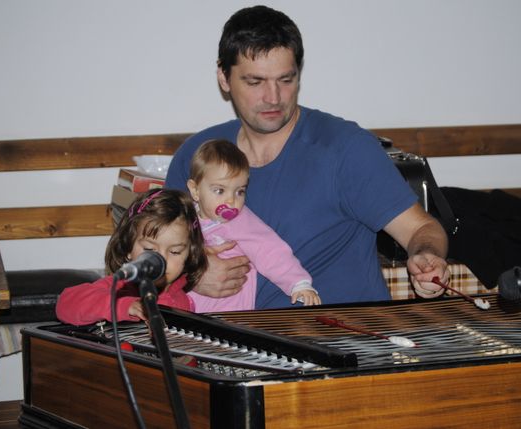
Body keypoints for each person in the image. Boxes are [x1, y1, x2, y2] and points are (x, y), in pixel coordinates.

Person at [165, 5, 450, 309]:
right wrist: (190, 274)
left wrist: (428, 257)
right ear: (224, 77)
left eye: (286, 80)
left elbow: (421, 229)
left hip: (341, 331)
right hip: (229, 335)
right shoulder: (197, 155)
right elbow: (151, 248)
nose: (273, 97)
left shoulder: (347, 148)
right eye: (255, 82)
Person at [186, 138, 320, 312]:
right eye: (220, 190)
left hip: (228, 311)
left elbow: (269, 249)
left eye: (239, 191)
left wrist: (299, 283)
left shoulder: (239, 221)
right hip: (185, 309)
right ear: (195, 190)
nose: (231, 200)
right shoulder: (183, 219)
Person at [56, 189, 207, 325]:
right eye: (149, 249)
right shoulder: (120, 287)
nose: (161, 261)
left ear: (189, 254)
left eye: (175, 252)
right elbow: (66, 304)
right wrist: (125, 306)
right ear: (128, 248)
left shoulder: (186, 302)